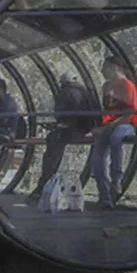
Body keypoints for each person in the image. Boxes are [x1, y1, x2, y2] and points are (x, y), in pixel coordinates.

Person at [29, 71, 100, 200]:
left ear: (63, 83)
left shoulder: (66, 92)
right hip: (86, 129)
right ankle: (46, 183)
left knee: (52, 144)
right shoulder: (86, 92)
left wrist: (61, 124)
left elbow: (64, 114)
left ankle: (44, 183)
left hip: (71, 129)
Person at [90, 56, 137, 208]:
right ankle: (105, 196)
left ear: (114, 68)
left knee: (116, 137)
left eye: (105, 68)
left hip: (126, 125)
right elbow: (106, 111)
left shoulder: (127, 85)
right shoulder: (106, 86)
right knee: (97, 158)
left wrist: (106, 127)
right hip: (109, 126)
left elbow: (128, 115)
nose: (102, 71)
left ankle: (116, 178)